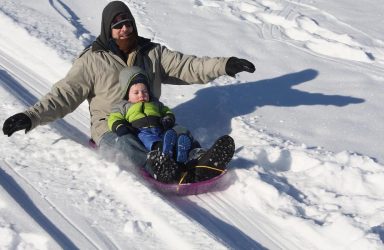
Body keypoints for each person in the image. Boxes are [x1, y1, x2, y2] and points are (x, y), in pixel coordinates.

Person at [2, 1, 255, 180]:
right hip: (113, 126)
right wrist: (31, 116)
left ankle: (201, 159)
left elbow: (187, 66)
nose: (124, 29)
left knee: (178, 133)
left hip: (150, 118)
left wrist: (224, 64)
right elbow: (65, 94)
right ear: (107, 30)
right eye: (117, 25)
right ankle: (157, 166)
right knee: (125, 143)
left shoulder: (151, 52)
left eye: (127, 23)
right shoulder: (92, 60)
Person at [108, 66, 195, 181]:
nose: (141, 95)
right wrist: (120, 126)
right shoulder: (122, 106)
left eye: (145, 91)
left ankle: (188, 154)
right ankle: (159, 157)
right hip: (140, 132)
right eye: (136, 92)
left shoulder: (155, 103)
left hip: (161, 130)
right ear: (127, 94)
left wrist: (168, 118)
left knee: (179, 130)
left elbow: (165, 111)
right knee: (139, 140)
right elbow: (114, 117)